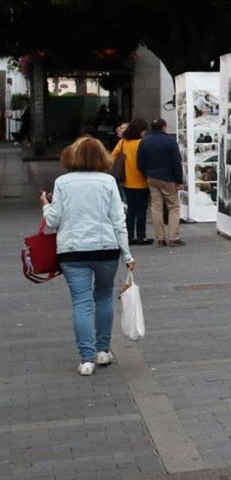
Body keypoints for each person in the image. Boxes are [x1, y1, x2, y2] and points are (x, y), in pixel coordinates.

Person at [40, 136, 136, 376]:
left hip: (72, 251)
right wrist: (127, 255)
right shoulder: (108, 181)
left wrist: (46, 205)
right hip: (106, 249)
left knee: (81, 302)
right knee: (103, 297)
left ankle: (86, 359)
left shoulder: (62, 182)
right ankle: (103, 350)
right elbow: (118, 220)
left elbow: (52, 221)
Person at [137, 117, 185, 246]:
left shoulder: (144, 141)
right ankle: (174, 237)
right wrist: (179, 180)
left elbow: (140, 163)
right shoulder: (170, 141)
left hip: (152, 177)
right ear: (164, 127)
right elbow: (176, 162)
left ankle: (160, 238)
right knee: (173, 207)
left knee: (156, 207)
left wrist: (147, 173)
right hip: (168, 178)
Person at [113, 118, 153, 245]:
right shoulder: (143, 143)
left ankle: (129, 236)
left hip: (127, 181)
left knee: (131, 210)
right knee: (142, 210)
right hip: (142, 181)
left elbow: (113, 157)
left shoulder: (123, 142)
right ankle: (141, 236)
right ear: (141, 131)